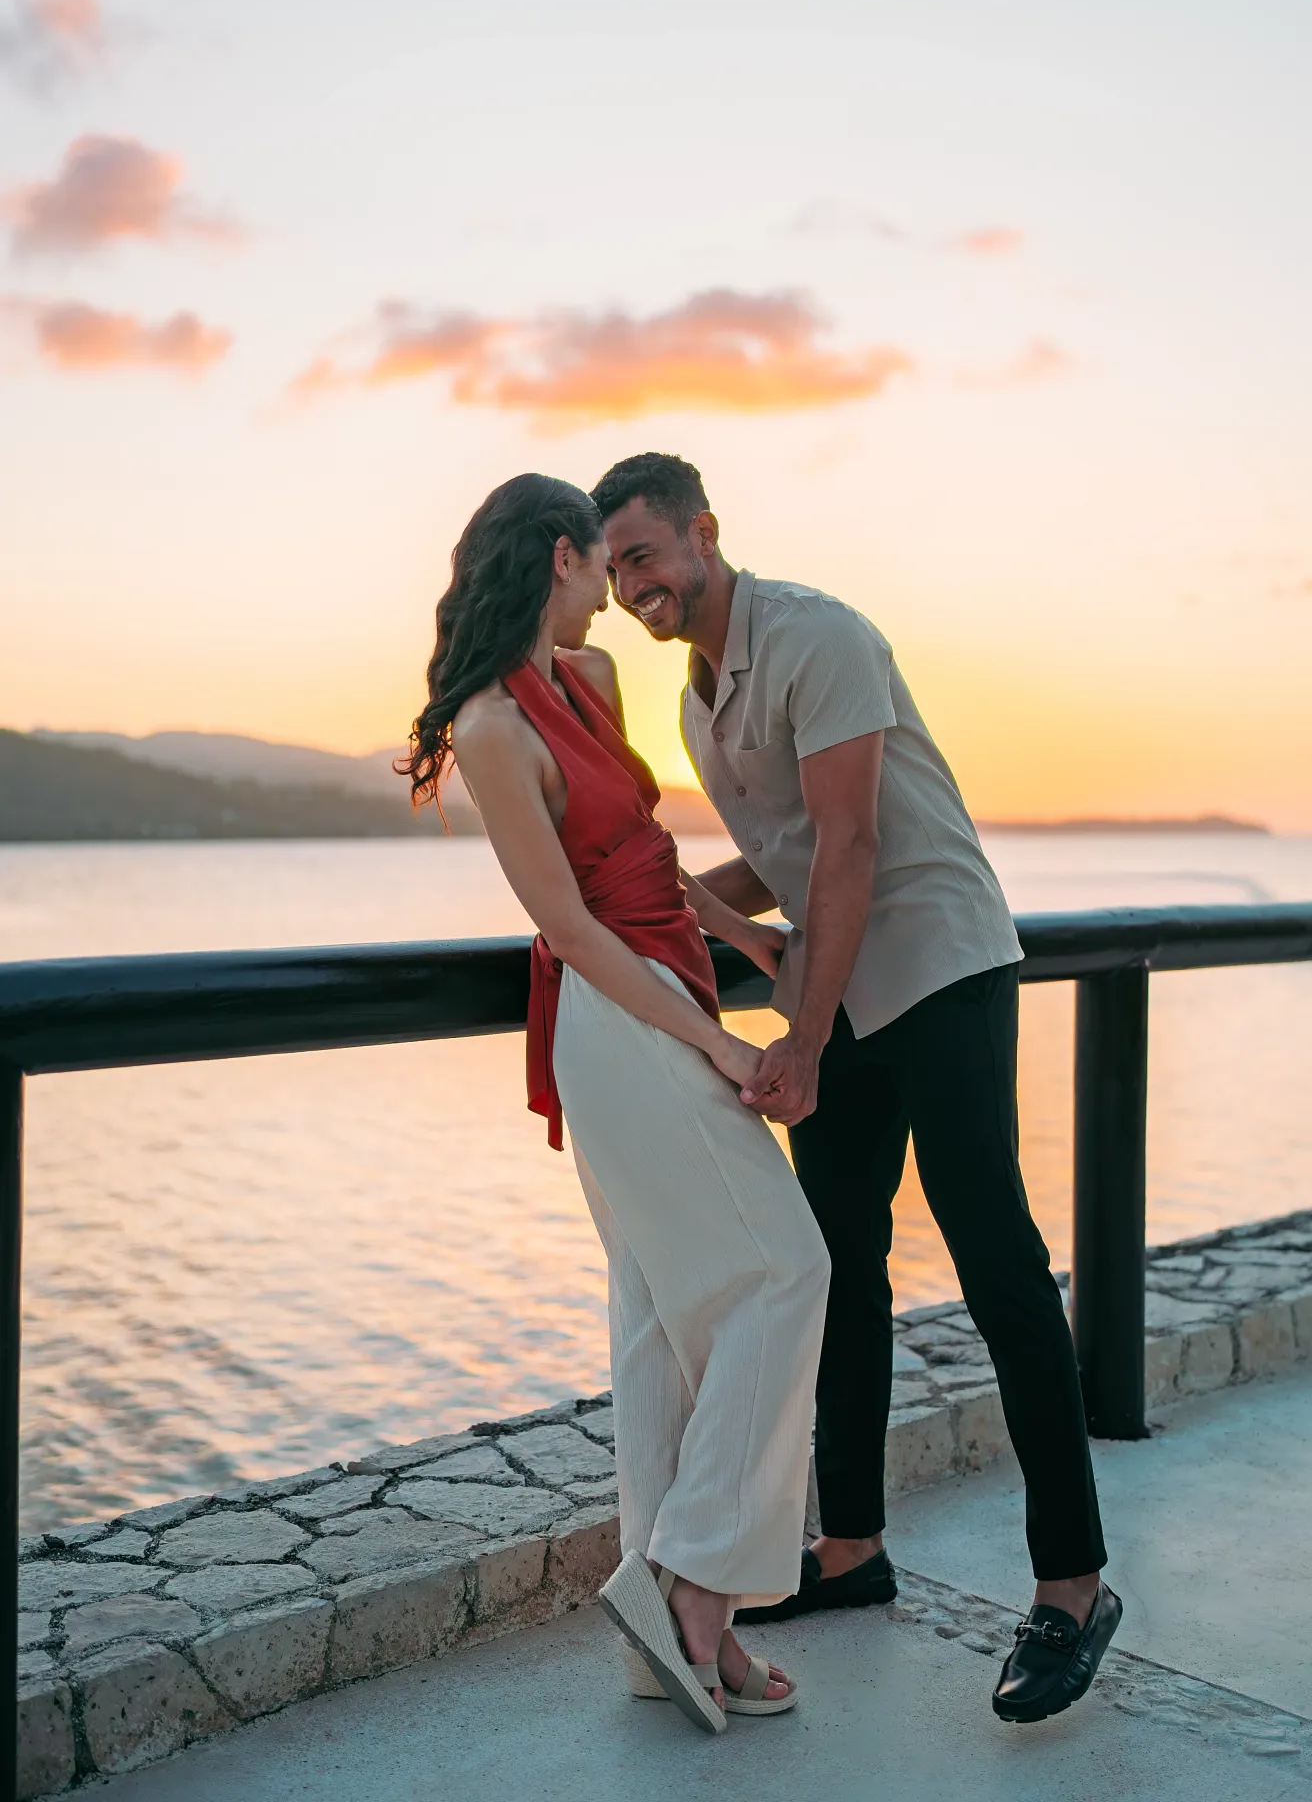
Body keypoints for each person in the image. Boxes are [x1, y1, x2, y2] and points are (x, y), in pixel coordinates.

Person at [589, 451, 1122, 1726]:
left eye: (646, 555)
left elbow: (854, 840)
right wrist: (668, 896)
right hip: (836, 986)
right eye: (612, 570)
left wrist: (805, 1033)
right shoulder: (694, 702)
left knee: (996, 1259)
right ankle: (851, 1550)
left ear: (705, 533)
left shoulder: (819, 636)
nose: (631, 586)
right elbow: (786, 858)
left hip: (935, 966)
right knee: (836, 1268)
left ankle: (1074, 1585)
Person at [400, 472, 830, 1735]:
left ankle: (670, 1638)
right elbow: (573, 929)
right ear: (559, 555)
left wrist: (744, 940)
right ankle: (694, 1583)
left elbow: (642, 857)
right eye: (601, 564)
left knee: (657, 1316)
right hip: (620, 1019)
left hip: (672, 981)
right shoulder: (488, 726)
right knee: (786, 1269)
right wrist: (716, 1040)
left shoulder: (589, 684)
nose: (615, 594)